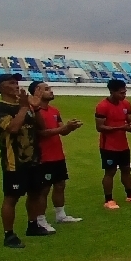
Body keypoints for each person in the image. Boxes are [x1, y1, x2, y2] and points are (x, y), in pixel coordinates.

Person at [0, 74, 50, 246]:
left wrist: (36, 108)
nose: (16, 85)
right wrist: (24, 108)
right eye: (11, 83)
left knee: (35, 193)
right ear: (1, 87)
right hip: (14, 161)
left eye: (17, 82)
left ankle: (32, 225)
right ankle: (9, 235)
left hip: (33, 159)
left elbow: (42, 127)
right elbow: (13, 128)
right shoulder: (0, 108)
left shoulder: (26, 105)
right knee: (12, 197)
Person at [30, 81, 83, 229]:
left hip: (57, 155)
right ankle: (40, 220)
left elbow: (62, 131)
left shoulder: (54, 110)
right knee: (44, 189)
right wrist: (63, 128)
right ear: (37, 91)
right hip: (42, 156)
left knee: (60, 185)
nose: (51, 91)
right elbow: (40, 133)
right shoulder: (33, 111)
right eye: (47, 89)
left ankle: (61, 215)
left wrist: (70, 127)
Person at [95, 79, 131, 209]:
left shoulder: (126, 104)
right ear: (112, 91)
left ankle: (130, 195)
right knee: (110, 172)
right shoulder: (102, 106)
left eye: (125, 92)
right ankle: (108, 200)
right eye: (121, 93)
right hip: (108, 146)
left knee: (126, 170)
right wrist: (121, 128)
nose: (124, 95)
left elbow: (129, 118)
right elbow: (100, 127)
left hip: (123, 145)